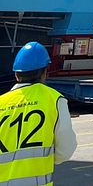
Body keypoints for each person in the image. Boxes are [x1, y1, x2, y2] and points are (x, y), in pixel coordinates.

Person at [0, 42, 77, 185]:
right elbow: (65, 151)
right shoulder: (54, 100)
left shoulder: (1, 102)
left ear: (17, 74)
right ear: (44, 73)